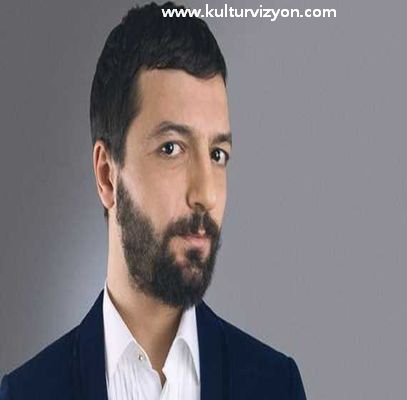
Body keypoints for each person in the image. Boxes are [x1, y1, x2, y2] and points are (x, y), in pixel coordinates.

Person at [0, 2, 307, 399]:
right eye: (171, 148)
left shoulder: (276, 386)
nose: (206, 194)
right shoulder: (26, 393)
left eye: (218, 154)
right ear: (107, 175)